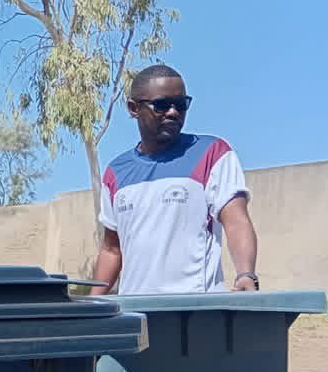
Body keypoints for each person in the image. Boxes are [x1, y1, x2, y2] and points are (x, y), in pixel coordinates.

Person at [91, 64, 258, 295]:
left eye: (180, 104)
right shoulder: (116, 172)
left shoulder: (213, 153)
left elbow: (236, 221)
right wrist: (92, 303)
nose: (173, 112)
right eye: (161, 105)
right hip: (135, 311)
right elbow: (111, 250)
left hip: (197, 309)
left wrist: (246, 274)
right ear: (133, 108)